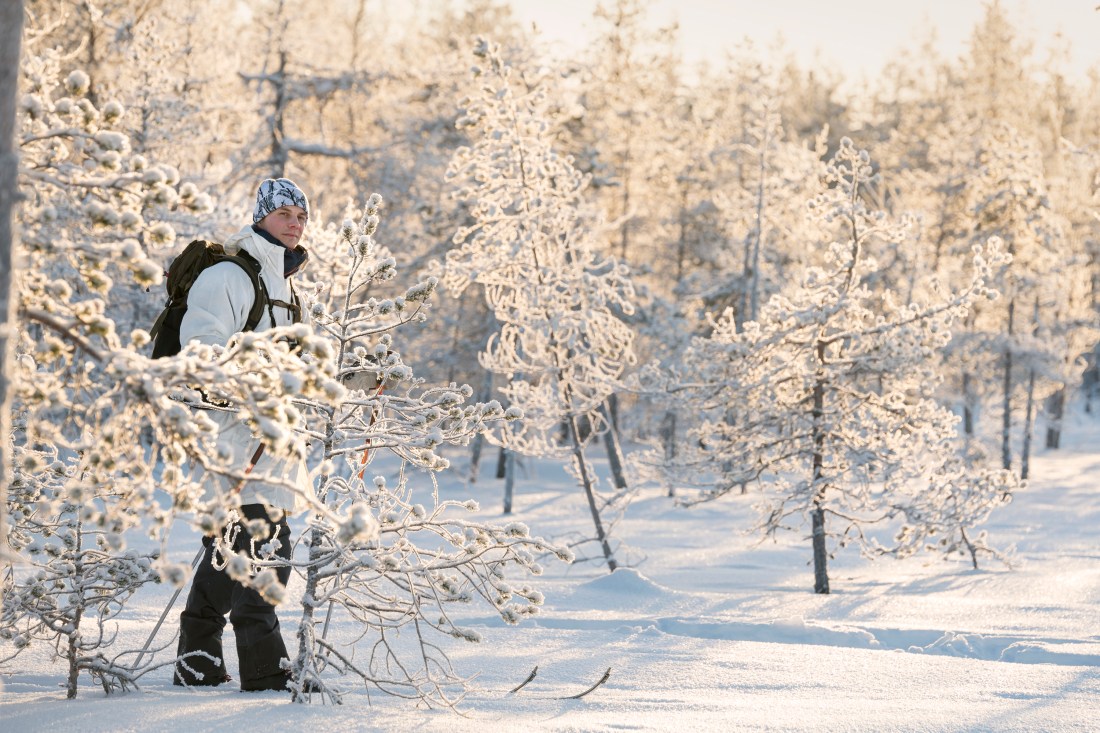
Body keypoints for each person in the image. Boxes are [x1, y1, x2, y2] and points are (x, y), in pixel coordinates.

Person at [173, 178, 313, 692]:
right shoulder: (229, 276)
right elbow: (201, 356)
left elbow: (304, 367)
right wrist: (255, 391)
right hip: (233, 442)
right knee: (264, 548)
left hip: (271, 446)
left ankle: (197, 664)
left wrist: (354, 380)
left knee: (226, 554)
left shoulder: (287, 287)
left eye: (301, 215)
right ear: (260, 217)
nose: (295, 223)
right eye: (284, 213)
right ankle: (266, 671)